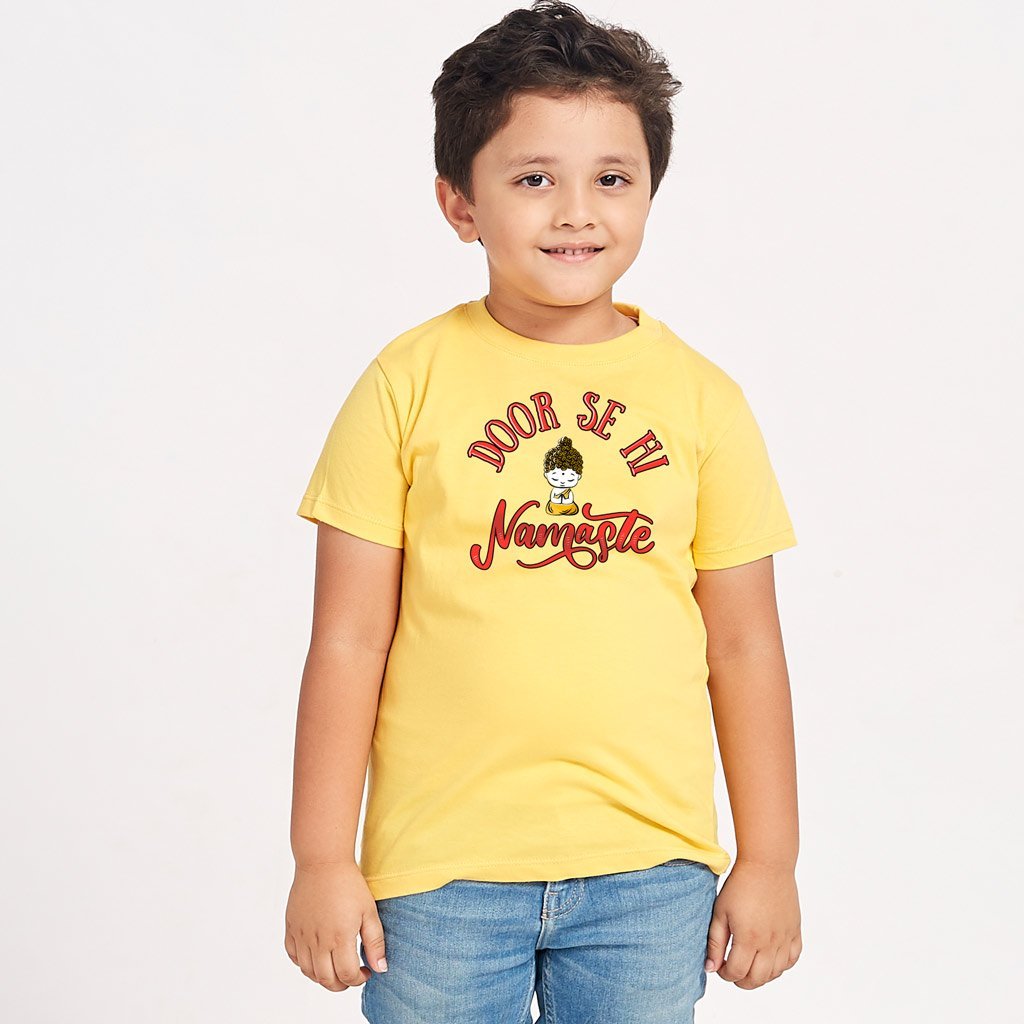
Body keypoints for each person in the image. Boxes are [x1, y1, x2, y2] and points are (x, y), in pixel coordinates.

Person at [284, 2, 803, 1020]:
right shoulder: (404, 384)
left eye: (611, 178)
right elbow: (347, 638)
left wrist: (771, 858)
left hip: (649, 872)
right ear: (459, 203)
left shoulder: (704, 401)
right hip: (439, 874)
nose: (576, 213)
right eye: (533, 179)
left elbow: (745, 645)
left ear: (650, 190)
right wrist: (319, 858)